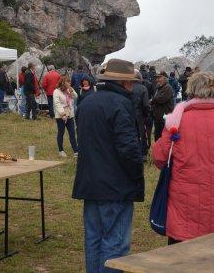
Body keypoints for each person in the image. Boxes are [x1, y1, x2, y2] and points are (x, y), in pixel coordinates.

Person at [153, 72, 214, 245]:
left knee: (181, 262)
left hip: (184, 209)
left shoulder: (176, 123)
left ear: (190, 91)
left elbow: (159, 159)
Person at [72, 59, 145, 273]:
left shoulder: (88, 102)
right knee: (115, 242)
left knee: (94, 239)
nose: (133, 85)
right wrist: (136, 176)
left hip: (90, 181)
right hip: (115, 184)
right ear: (124, 82)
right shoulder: (120, 104)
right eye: (131, 81)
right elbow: (128, 148)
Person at [53, 76, 79, 157]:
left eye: (69, 82)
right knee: (61, 132)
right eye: (67, 82)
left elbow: (75, 97)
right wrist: (62, 114)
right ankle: (61, 151)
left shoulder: (69, 89)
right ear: (62, 83)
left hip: (70, 115)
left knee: (72, 133)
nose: (69, 83)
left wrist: (71, 91)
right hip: (61, 116)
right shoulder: (56, 92)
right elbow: (57, 104)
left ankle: (76, 151)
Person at [150, 71, 174, 142]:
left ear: (165, 78)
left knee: (163, 137)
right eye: (156, 78)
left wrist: (152, 100)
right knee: (157, 135)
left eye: (159, 78)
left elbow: (160, 99)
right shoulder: (159, 87)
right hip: (158, 116)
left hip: (164, 117)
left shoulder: (167, 88)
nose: (157, 80)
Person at [131, 70, 150, 156]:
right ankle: (143, 153)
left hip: (128, 114)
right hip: (139, 115)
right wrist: (146, 115)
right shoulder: (143, 88)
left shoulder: (126, 87)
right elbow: (146, 105)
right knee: (141, 134)